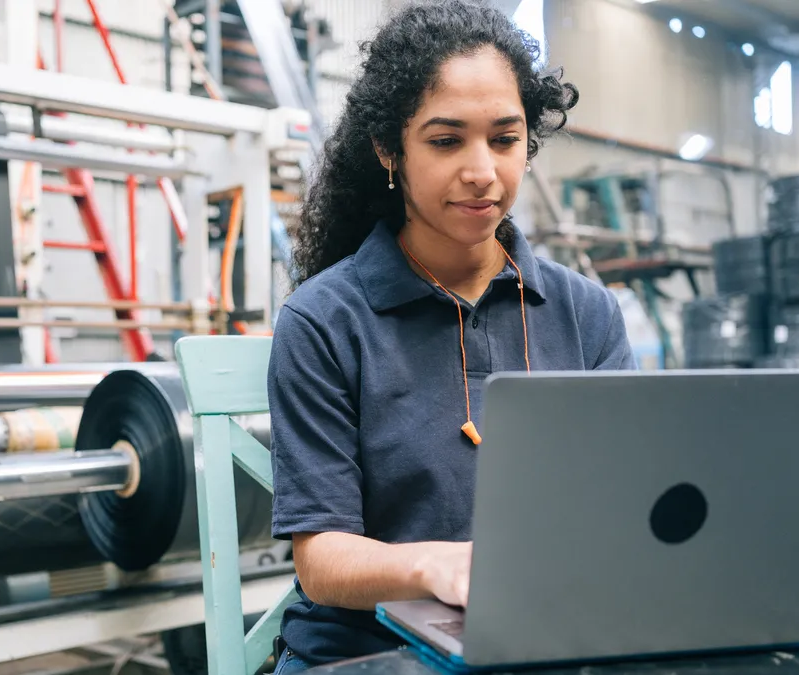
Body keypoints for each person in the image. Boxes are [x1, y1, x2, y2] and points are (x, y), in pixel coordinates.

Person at [266, 1, 636, 671]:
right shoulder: (325, 322)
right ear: (389, 150)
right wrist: (444, 565)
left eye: (504, 138)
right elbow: (322, 561)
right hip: (365, 653)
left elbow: (624, 505)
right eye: (445, 140)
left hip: (540, 640)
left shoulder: (587, 315)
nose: (482, 171)